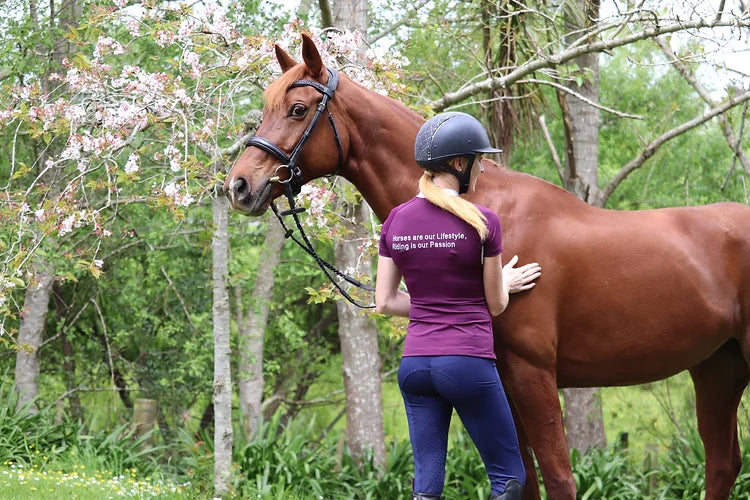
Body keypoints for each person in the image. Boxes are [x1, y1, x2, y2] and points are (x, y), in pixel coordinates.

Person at [375, 112, 541, 500]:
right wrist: (505, 284)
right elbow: (496, 304)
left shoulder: (395, 220)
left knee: (427, 489)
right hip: (467, 363)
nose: (483, 169)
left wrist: (435, 307)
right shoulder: (483, 222)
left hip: (415, 368)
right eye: (479, 160)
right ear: (459, 163)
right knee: (509, 479)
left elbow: (385, 301)